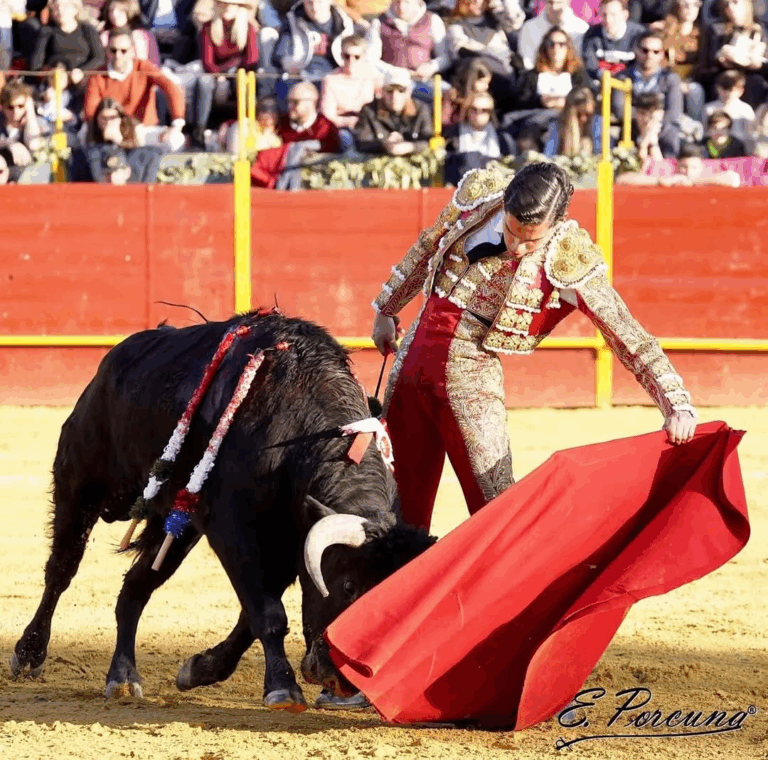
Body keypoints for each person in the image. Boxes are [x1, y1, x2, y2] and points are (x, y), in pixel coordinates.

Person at [369, 162, 697, 530]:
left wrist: (675, 402)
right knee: (395, 503)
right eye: (511, 231)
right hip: (410, 364)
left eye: (532, 240)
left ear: (557, 224)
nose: (518, 245)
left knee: (496, 506)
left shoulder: (566, 255)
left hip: (469, 382)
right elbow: (429, 245)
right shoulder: (481, 199)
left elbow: (625, 332)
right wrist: (386, 307)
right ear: (505, 202)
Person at [83, 27, 187, 150]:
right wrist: (107, 127)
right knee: (84, 132)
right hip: (112, 129)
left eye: (124, 51)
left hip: (144, 129)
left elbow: (171, 87)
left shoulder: (143, 66)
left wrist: (177, 124)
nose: (118, 55)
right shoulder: (97, 75)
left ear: (132, 51)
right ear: (106, 51)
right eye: (113, 50)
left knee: (176, 139)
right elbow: (90, 111)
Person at [353, 67, 432, 155]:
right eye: (390, 91)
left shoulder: (421, 109)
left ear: (409, 92)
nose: (395, 96)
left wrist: (410, 147)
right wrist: (384, 144)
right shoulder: (369, 110)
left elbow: (430, 141)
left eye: (401, 90)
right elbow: (361, 143)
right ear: (382, 92)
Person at [443, 91, 515, 184]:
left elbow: (509, 163)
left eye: (484, 110)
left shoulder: (502, 136)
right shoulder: (453, 133)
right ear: (467, 110)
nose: (478, 113)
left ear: (491, 112)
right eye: (474, 109)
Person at [581, 0, 646, 87]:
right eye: (604, 15)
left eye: (613, 15)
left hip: (631, 85)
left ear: (625, 15)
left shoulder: (638, 34)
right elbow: (590, 67)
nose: (608, 20)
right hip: (601, 85)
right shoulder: (592, 35)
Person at [616, 140, 742, 184]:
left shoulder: (710, 175)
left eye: (693, 168)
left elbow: (733, 179)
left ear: (701, 167)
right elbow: (622, 179)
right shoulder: (668, 177)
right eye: (684, 167)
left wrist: (691, 182)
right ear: (676, 165)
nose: (688, 172)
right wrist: (661, 181)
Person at [517, 0, 588, 70]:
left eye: (559, 2)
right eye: (551, 2)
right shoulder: (529, 28)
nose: (554, 5)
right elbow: (527, 64)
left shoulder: (582, 29)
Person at [542, 85, 603, 156]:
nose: (583, 118)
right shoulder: (556, 126)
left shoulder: (597, 123)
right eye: (578, 114)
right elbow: (549, 155)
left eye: (588, 114)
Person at [703, 69, 756, 141]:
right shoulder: (709, 108)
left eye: (731, 89)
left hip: (739, 148)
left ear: (741, 90)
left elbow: (751, 134)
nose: (727, 92)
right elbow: (705, 134)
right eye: (724, 88)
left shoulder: (745, 109)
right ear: (717, 88)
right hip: (716, 147)